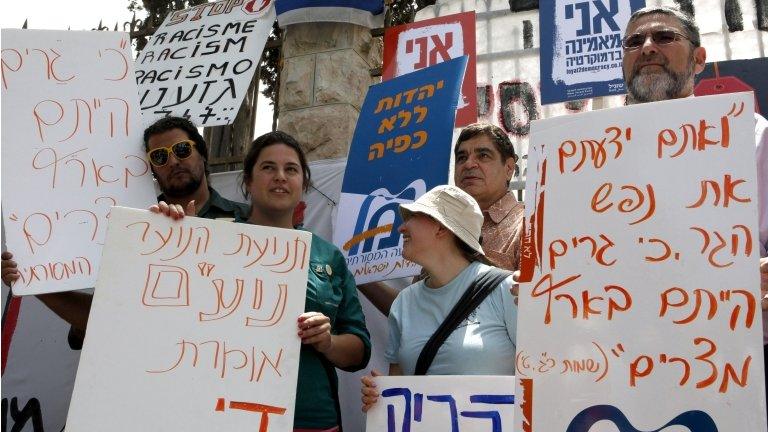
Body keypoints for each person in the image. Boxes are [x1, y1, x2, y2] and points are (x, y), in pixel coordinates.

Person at [155, 130, 371, 432]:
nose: (280, 176)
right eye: (268, 167)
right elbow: (167, 321)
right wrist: (171, 242)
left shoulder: (328, 256)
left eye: (291, 169)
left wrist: (328, 342)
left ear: (303, 184)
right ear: (248, 181)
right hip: (221, 415)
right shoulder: (211, 240)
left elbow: (360, 349)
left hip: (310, 419)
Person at [620, 4, 768, 418]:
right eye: (634, 42)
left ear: (699, 59)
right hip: (618, 367)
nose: (647, 48)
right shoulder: (580, 154)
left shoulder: (753, 137)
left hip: (732, 366)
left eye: (664, 37)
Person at [1, 116, 249, 346]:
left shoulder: (250, 222)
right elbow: (95, 325)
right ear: (151, 168)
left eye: (182, 150)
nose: (173, 161)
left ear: (202, 153)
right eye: (159, 157)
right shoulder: (132, 230)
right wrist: (30, 280)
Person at [358, 185, 517, 411]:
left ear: (441, 228)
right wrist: (379, 398)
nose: (401, 227)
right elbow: (398, 384)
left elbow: (541, 377)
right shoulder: (404, 302)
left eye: (412, 217)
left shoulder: (507, 290)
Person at [358, 123, 524, 315]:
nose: (469, 164)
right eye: (461, 158)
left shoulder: (532, 224)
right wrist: (357, 276)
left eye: (483, 155)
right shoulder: (439, 226)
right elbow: (412, 314)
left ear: (509, 168)